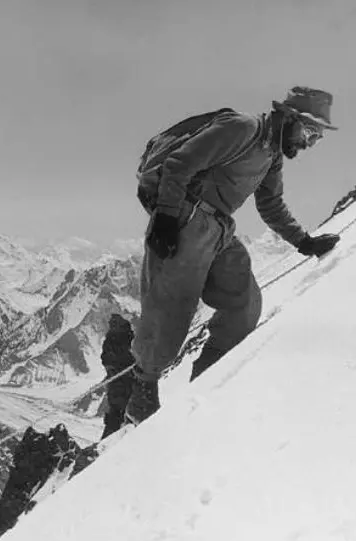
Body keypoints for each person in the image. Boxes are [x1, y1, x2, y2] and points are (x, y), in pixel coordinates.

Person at [125, 86, 341, 425]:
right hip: (187, 217)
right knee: (172, 307)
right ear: (290, 118)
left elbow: (271, 205)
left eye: (318, 137)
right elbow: (181, 162)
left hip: (219, 227)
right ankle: (142, 393)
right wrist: (167, 216)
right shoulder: (242, 128)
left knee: (245, 300)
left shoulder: (271, 156)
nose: (311, 142)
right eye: (311, 132)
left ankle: (208, 378)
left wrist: (304, 242)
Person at [100, 314, 135, 439]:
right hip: (123, 381)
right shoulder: (128, 338)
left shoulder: (114, 340)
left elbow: (105, 359)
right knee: (119, 411)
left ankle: (108, 442)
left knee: (118, 412)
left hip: (122, 382)